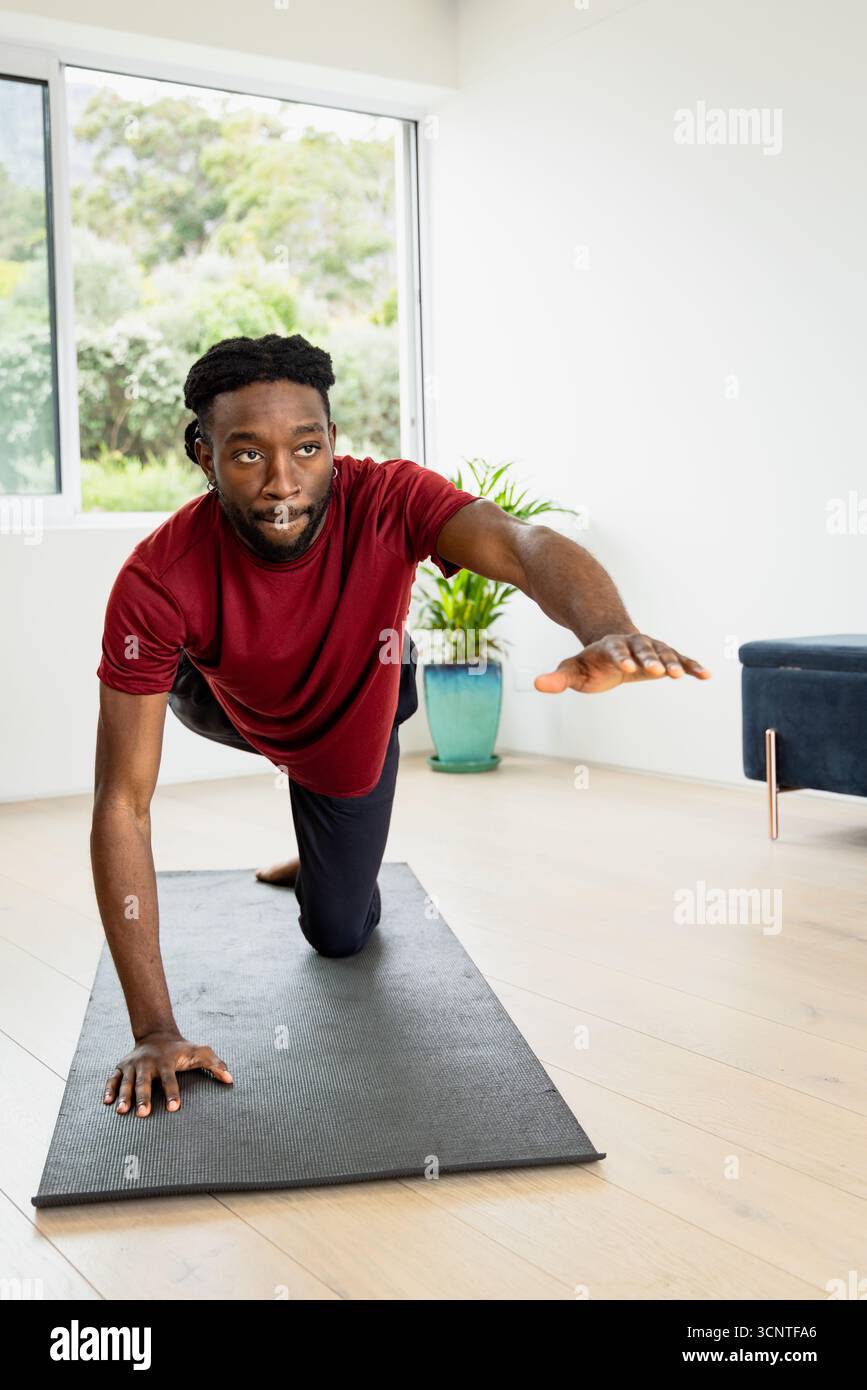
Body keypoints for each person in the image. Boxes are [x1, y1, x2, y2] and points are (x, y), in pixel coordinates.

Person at [92, 332, 710, 1120]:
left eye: (306, 448)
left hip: (354, 715)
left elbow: (522, 546)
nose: (283, 483)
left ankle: (326, 851)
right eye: (247, 455)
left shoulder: (389, 498)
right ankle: (315, 804)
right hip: (223, 703)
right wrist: (153, 1030)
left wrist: (604, 628)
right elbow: (122, 803)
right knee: (175, 682)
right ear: (203, 454)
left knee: (339, 935)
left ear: (332, 444)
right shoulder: (157, 577)